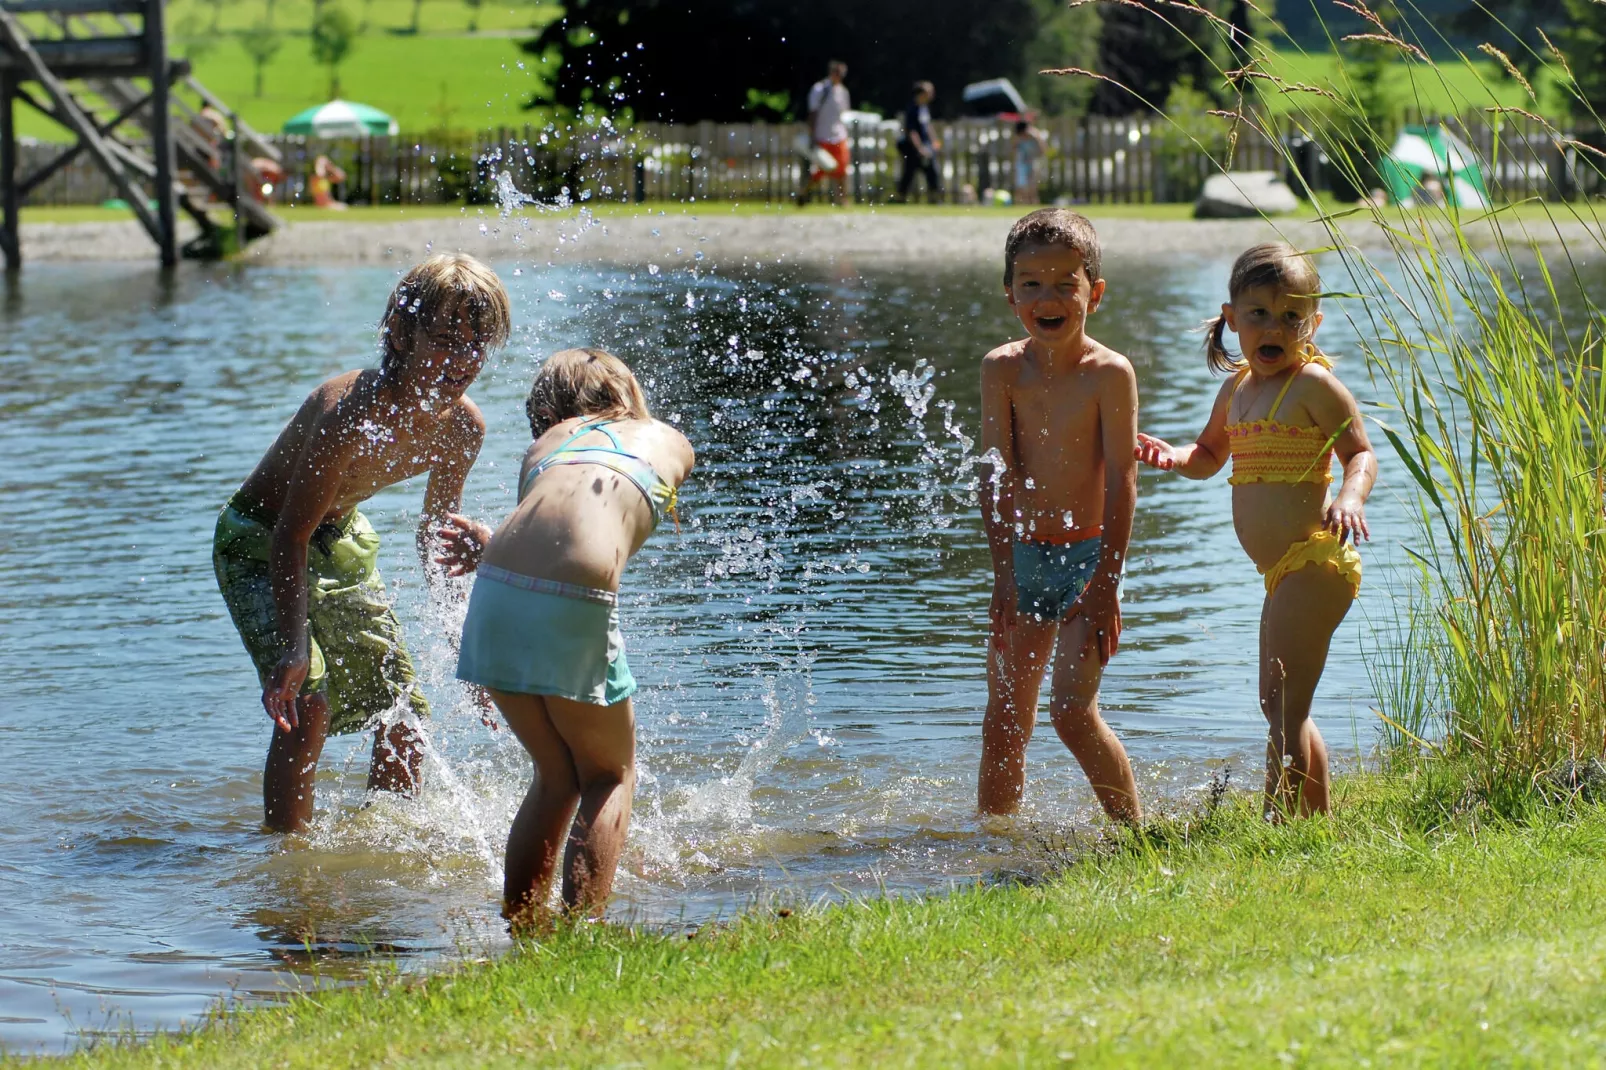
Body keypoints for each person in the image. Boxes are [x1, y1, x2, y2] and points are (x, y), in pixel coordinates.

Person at [213, 254, 511, 833]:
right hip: (258, 541)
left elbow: (436, 541)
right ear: (400, 332)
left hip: (339, 538)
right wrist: (294, 651)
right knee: (311, 701)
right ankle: (288, 860)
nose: (460, 362)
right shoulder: (348, 413)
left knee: (406, 714)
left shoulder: (461, 428)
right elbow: (289, 535)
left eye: (476, 345)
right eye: (446, 340)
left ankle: (387, 842)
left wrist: (466, 650)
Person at [436, 349, 695, 931]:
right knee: (608, 775)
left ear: (547, 407)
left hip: (497, 586)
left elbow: (546, 525)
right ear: (626, 394)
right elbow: (600, 528)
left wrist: (489, 546)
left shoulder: (544, 446)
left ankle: (525, 930)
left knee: (555, 776)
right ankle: (583, 937)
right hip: (573, 594)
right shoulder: (665, 437)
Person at [1134, 242, 1376, 818]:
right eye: (1259, 314)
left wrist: (1348, 496)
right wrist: (1174, 456)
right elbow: (1211, 454)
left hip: (1316, 562)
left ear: (1312, 324)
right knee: (1278, 702)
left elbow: (1361, 453)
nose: (1276, 327)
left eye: (1292, 316)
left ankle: (1275, 824)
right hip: (1281, 572)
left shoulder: (1313, 386)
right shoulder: (1237, 389)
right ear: (1231, 319)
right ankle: (1313, 819)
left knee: (1285, 705)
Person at [978, 209, 1142, 825]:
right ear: (1010, 293)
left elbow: (1123, 479)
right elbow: (994, 472)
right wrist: (1004, 574)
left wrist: (1106, 583)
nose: (1047, 298)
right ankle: (996, 844)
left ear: (1093, 294)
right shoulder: (1002, 369)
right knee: (1005, 718)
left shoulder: (1109, 373)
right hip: (1023, 558)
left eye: (1064, 285)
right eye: (1031, 285)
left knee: (1072, 713)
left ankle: (1135, 839)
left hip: (1087, 559)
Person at [799, 60, 851, 207]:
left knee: (842, 169)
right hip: (822, 136)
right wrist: (812, 134)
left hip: (839, 136)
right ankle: (804, 194)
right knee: (820, 172)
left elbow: (843, 115)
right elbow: (813, 113)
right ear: (831, 72)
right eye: (838, 73)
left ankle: (842, 200)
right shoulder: (820, 89)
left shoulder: (843, 92)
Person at [895, 81, 942, 203]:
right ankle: (901, 197)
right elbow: (911, 131)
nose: (932, 94)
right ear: (921, 94)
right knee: (909, 173)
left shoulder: (924, 108)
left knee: (931, 171)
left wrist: (934, 141)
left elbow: (928, 126)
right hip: (913, 148)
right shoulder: (912, 109)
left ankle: (934, 197)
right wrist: (919, 147)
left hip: (925, 146)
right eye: (929, 92)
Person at [1011, 120, 1048, 205]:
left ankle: (1033, 204)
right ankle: (1021, 204)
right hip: (1022, 163)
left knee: (1032, 187)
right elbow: (1013, 149)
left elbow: (1044, 150)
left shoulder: (1035, 136)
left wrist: (1037, 138)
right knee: (1020, 187)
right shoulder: (1019, 137)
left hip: (1034, 162)